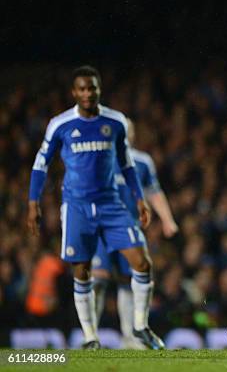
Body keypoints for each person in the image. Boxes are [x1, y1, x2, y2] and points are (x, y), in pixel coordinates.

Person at [27, 65, 165, 350]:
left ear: (99, 89)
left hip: (111, 205)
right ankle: (90, 337)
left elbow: (127, 164)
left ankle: (140, 327)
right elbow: (41, 164)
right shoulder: (60, 124)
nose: (88, 93)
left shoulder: (114, 122)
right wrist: (33, 203)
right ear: (74, 92)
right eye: (82, 88)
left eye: (92, 88)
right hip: (77, 207)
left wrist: (139, 198)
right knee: (82, 271)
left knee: (142, 263)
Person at [92, 118, 178, 349]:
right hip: (101, 229)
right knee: (97, 279)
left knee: (128, 281)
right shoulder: (99, 158)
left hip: (129, 230)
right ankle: (90, 336)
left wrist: (167, 220)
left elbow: (154, 192)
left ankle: (130, 337)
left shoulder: (142, 161)